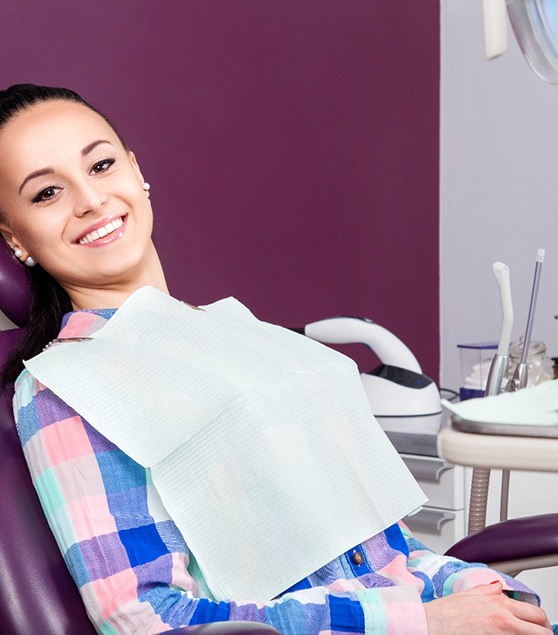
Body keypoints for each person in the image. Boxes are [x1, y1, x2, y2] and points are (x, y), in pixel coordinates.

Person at [0, 83, 553, 635]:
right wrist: (421, 622)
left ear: (137, 172)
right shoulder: (67, 386)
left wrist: (482, 593)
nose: (91, 199)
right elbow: (149, 622)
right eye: (46, 193)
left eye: (100, 165)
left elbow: (387, 555)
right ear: (15, 239)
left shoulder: (241, 337)